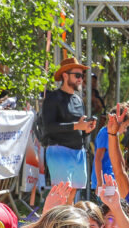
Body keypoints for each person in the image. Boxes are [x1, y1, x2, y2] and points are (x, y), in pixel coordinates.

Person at [40, 57, 95, 191]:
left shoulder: (78, 100)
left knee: (71, 196)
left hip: (78, 152)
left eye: (82, 76)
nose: (80, 79)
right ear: (65, 75)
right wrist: (77, 126)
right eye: (77, 75)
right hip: (59, 151)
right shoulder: (53, 98)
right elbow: (49, 127)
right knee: (61, 196)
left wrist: (87, 130)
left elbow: (79, 129)